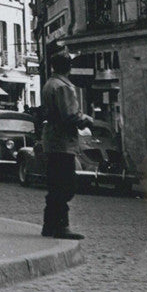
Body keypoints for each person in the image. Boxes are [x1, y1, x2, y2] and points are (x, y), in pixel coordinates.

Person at [40, 48, 93, 240]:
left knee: (55, 184)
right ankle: (61, 225)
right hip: (63, 141)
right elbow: (70, 115)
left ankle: (49, 224)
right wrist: (87, 119)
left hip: (52, 140)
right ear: (67, 66)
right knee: (65, 185)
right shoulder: (63, 87)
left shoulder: (50, 84)